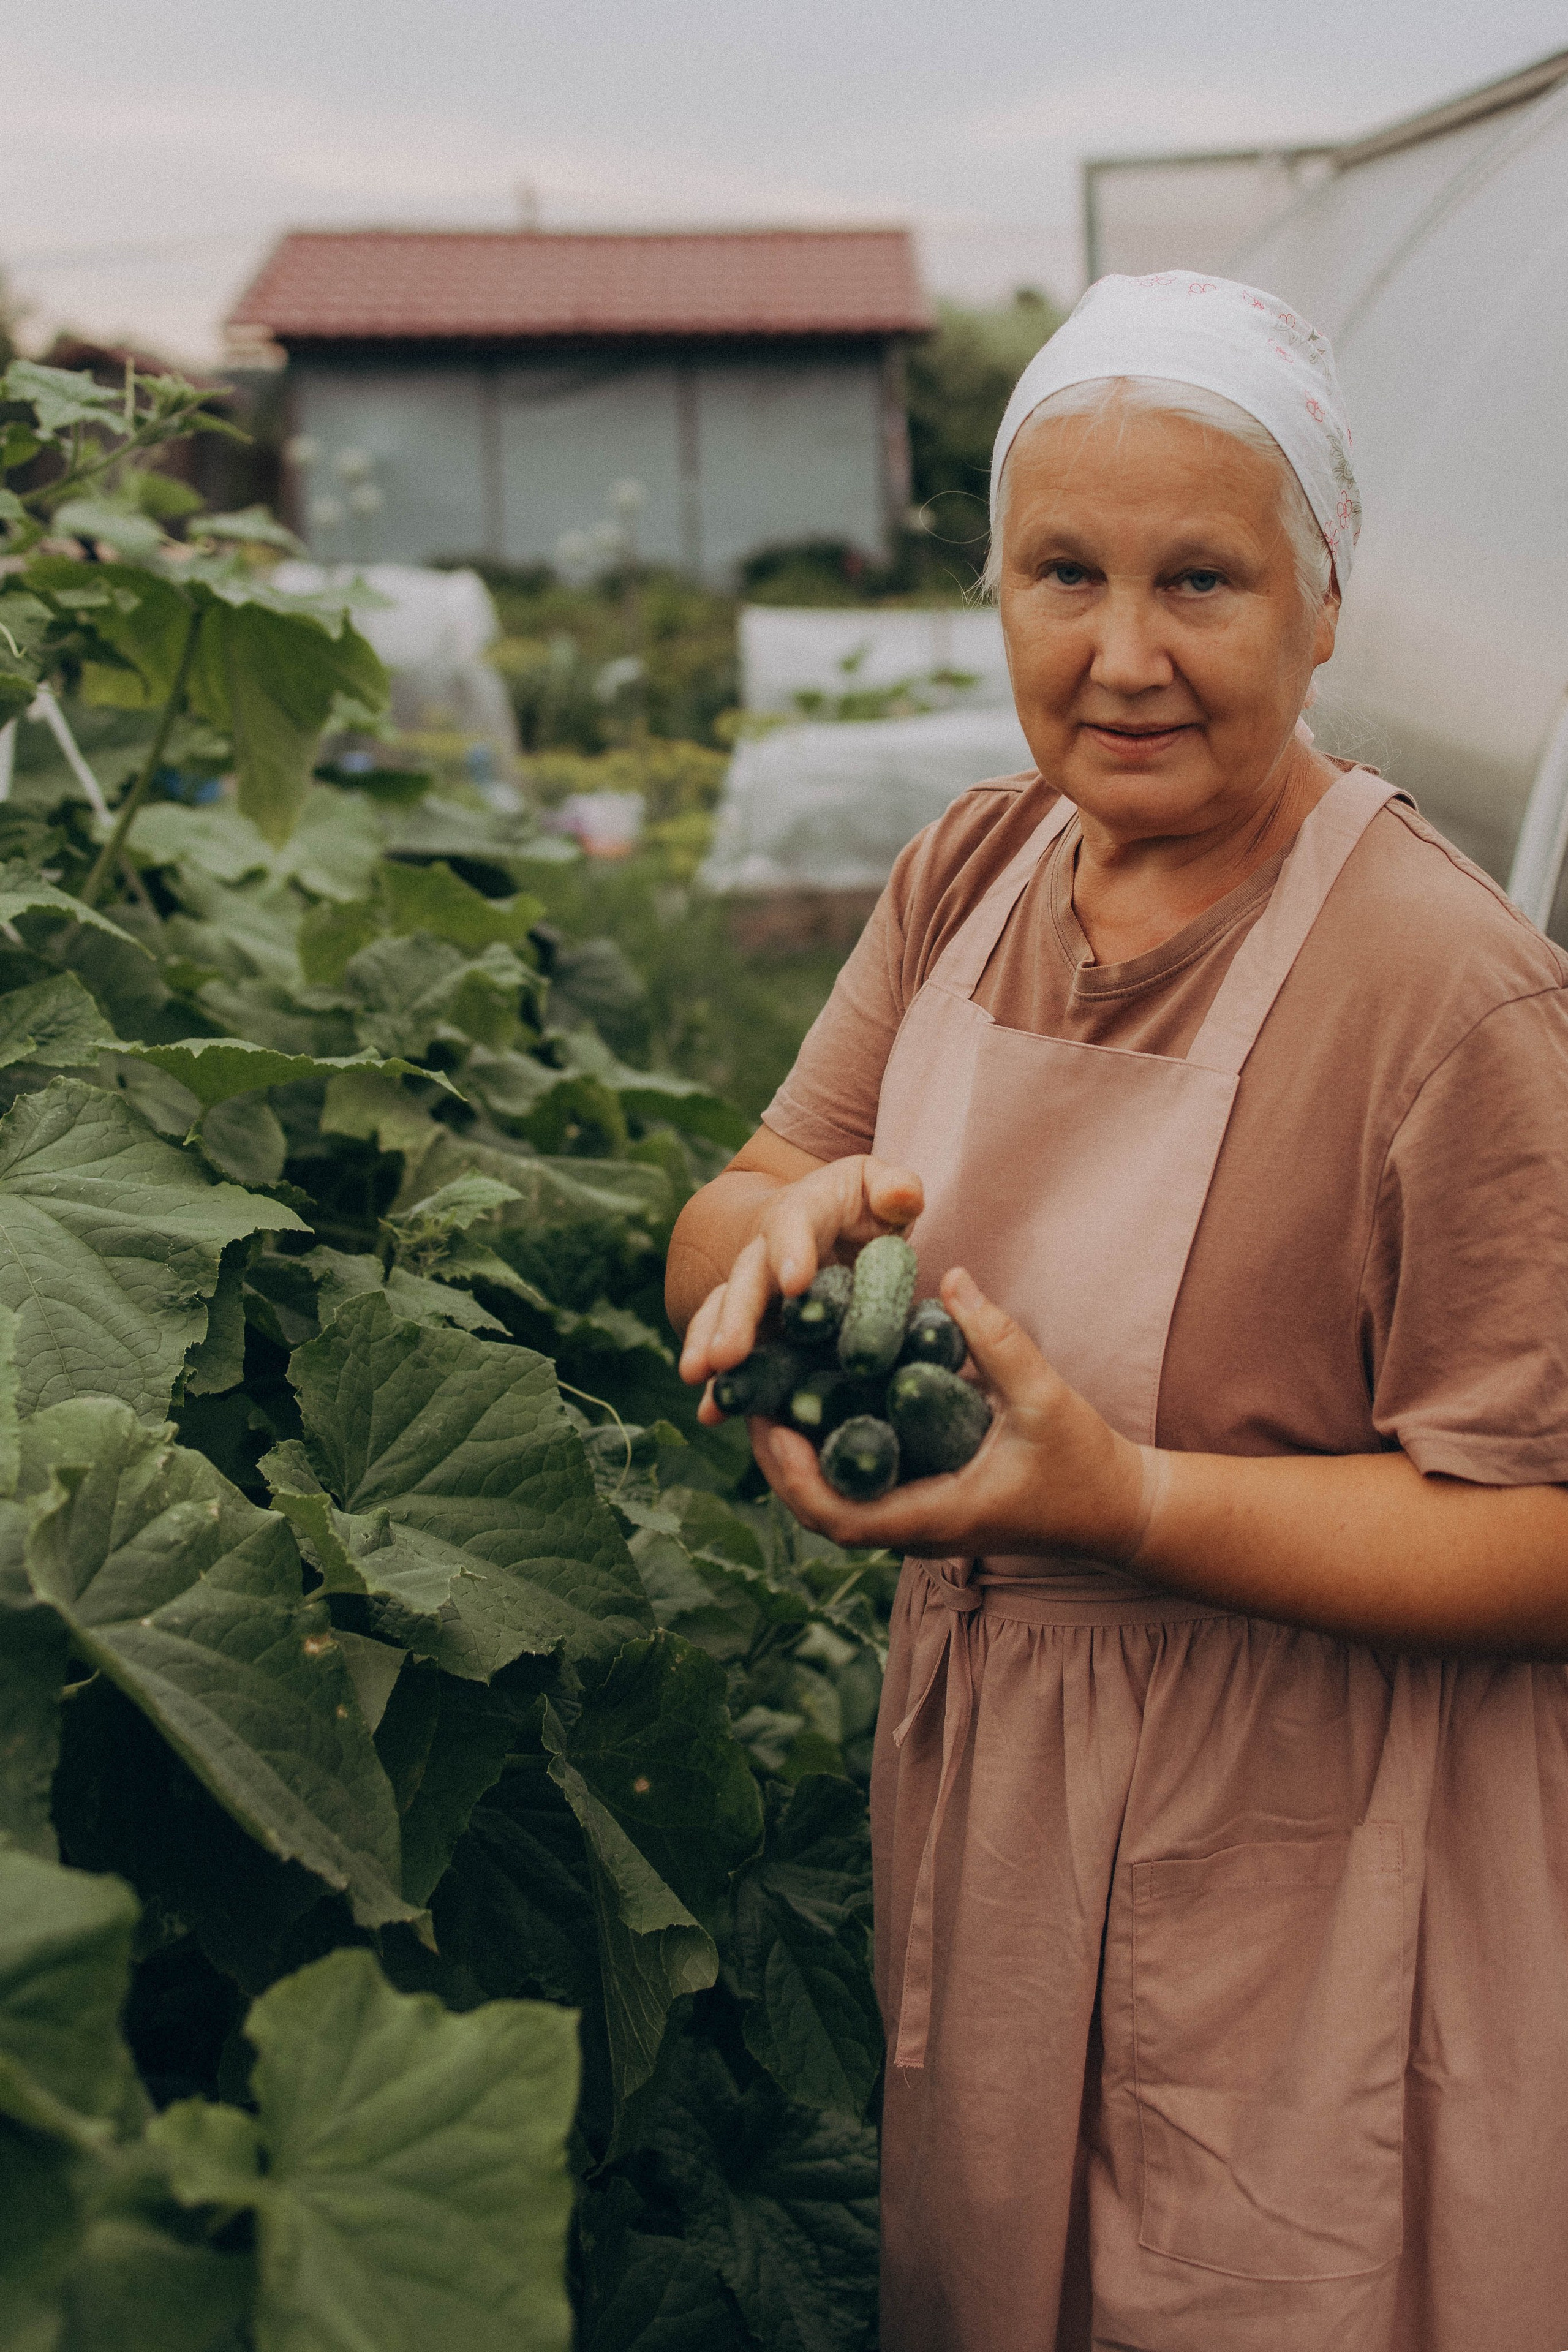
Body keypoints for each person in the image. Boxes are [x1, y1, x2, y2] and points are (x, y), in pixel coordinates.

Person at [666, 272, 1568, 2351]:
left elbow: (1544, 1526)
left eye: (1204, 581)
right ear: (992, 586)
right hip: (1000, 1827)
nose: (1125, 654)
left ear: (1323, 602)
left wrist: (1126, 1502)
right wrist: (765, 1267)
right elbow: (735, 1201)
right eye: (1063, 571)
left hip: (1325, 1867)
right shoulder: (963, 879)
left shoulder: (1448, 991)